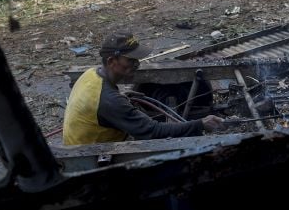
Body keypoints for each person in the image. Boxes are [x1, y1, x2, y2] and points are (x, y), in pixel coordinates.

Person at [63, 32, 225, 145]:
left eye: (138, 60)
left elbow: (101, 103)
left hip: (83, 143)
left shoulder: (91, 74)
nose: (137, 65)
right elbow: (153, 131)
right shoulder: (110, 101)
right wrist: (200, 124)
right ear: (112, 61)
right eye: (131, 60)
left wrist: (122, 95)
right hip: (91, 157)